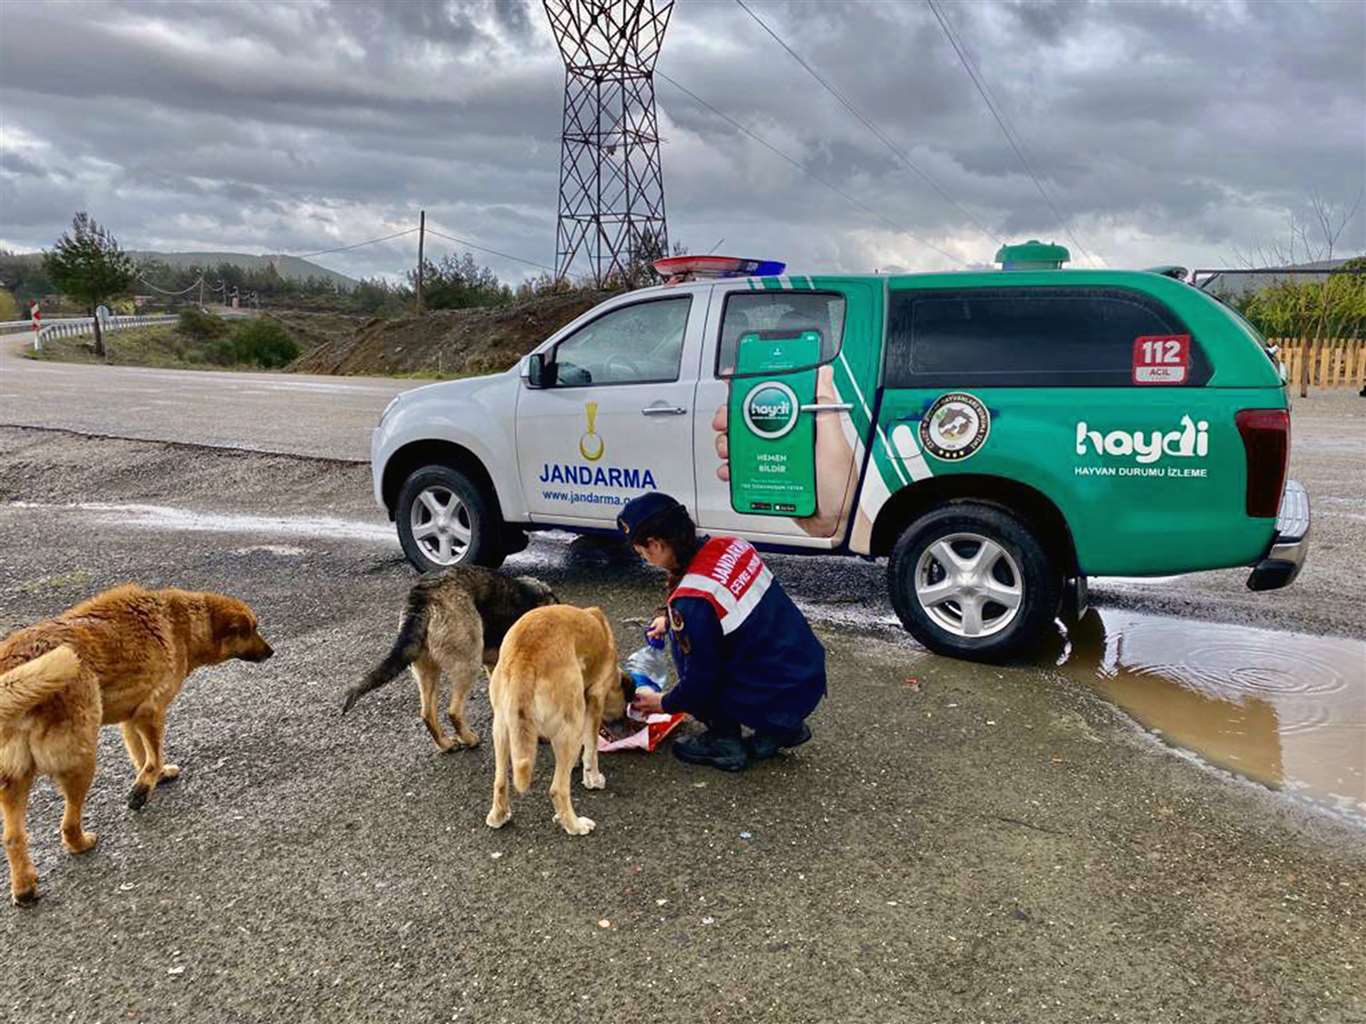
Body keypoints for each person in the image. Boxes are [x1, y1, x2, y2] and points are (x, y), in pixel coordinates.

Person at [616, 491, 826, 772]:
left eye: (640, 551)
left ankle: (724, 741)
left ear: (655, 544)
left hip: (775, 693)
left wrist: (664, 703)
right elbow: (722, 599)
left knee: (688, 652)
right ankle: (782, 728)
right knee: (724, 642)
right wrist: (666, 616)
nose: (641, 556)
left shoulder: (691, 604)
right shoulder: (731, 546)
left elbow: (700, 680)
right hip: (804, 676)